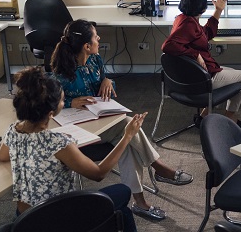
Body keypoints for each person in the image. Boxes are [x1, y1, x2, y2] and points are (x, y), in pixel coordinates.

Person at [51, 19, 193, 221]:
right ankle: (158, 168)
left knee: (127, 141)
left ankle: (140, 203)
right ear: (86, 46)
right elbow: (46, 102)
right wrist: (70, 102)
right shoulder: (62, 72)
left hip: (102, 122)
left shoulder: (95, 60)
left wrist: (109, 81)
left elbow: (106, 87)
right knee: (128, 126)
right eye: (95, 36)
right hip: (78, 132)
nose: (99, 39)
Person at [0, 67, 140, 232]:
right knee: (123, 191)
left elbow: (2, 156)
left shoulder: (13, 130)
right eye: (62, 101)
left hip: (26, 220)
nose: (64, 103)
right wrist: (127, 137)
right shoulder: (58, 143)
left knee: (121, 212)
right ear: (51, 113)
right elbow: (98, 173)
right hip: (58, 218)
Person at [161, 0, 241, 129]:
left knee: (229, 75)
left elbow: (205, 33)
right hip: (202, 78)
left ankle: (204, 116)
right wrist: (195, 54)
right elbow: (168, 46)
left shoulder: (183, 19)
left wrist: (218, 10)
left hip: (188, 78)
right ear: (202, 8)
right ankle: (230, 119)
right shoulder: (188, 25)